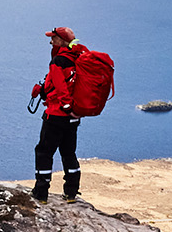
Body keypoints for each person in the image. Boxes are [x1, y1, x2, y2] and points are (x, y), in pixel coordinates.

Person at [29, 26, 113, 201]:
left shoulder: (58, 61)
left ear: (62, 41)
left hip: (56, 115)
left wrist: (61, 103)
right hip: (74, 116)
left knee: (44, 152)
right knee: (68, 153)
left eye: (53, 38)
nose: (51, 41)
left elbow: (59, 86)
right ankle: (71, 193)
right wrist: (71, 109)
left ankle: (41, 193)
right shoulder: (80, 57)